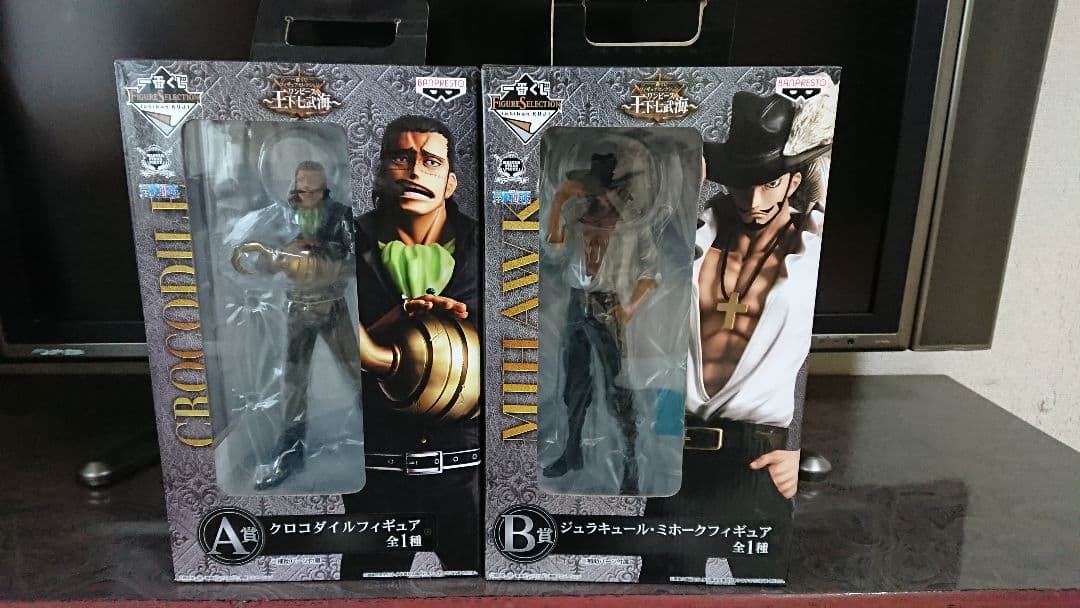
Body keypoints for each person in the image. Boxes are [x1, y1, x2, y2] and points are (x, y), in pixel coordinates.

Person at [641, 91, 833, 582]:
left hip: (760, 463)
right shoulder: (688, 241)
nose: (755, 202)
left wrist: (805, 451)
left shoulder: (813, 254)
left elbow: (845, 370)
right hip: (678, 459)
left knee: (762, 595)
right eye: (744, 184)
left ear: (794, 180)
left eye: (770, 183)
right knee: (661, 597)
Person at [340, 115, 481, 576]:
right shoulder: (339, 243)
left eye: (431, 161)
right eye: (401, 158)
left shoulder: (490, 244)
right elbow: (310, 340)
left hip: (468, 465)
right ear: (380, 171)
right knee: (367, 588)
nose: (415, 170)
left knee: (480, 587)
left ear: (451, 182)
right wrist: (393, 323)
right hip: (376, 463)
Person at [229, 160, 361, 491]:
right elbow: (259, 262)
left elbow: (358, 257)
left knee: (358, 373)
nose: (310, 196)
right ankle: (290, 451)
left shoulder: (340, 215)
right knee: (292, 383)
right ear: (295, 186)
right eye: (304, 189)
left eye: (316, 190)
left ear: (324, 187)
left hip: (331, 304)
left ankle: (381, 440)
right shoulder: (279, 215)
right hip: (297, 306)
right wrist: (280, 255)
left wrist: (322, 253)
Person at [540, 152, 659, 496]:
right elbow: (554, 254)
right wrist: (558, 203)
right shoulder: (577, 218)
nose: (597, 196)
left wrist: (629, 307)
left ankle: (631, 463)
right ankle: (572, 452)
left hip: (607, 304)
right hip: (576, 302)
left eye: (603, 190)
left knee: (617, 386)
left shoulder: (632, 224)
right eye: (591, 189)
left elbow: (652, 271)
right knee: (574, 384)